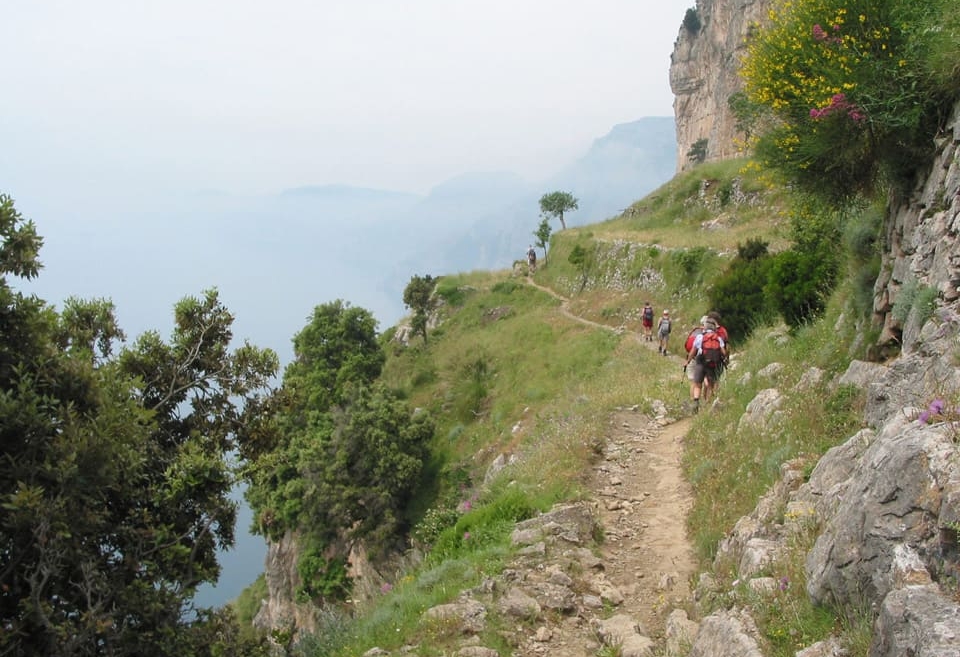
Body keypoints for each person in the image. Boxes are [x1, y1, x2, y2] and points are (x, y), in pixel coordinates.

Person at [684, 317, 726, 412]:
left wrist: (688, 361)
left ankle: (696, 402)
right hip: (712, 365)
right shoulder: (718, 338)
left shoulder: (700, 337)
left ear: (705, 327)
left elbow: (693, 351)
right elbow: (723, 352)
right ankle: (708, 404)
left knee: (697, 384)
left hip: (700, 363)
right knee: (710, 385)